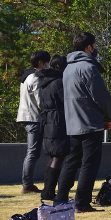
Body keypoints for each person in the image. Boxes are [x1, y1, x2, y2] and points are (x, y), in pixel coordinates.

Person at [56, 32, 111, 212]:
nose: (95, 49)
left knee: (71, 162)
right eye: (95, 45)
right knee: (90, 163)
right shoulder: (88, 67)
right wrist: (107, 117)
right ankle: (81, 203)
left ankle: (60, 199)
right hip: (90, 122)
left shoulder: (68, 68)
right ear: (89, 47)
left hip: (72, 123)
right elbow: (101, 97)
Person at [16, 50, 50, 194]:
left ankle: (27, 183)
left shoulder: (26, 76)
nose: (49, 66)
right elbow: (40, 101)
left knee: (32, 152)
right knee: (32, 152)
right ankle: (27, 184)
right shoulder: (35, 77)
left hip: (26, 116)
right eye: (47, 63)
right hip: (34, 118)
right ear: (41, 63)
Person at [36, 54, 69, 200]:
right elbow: (66, 101)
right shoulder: (59, 82)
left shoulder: (45, 83)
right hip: (58, 121)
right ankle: (49, 191)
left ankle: (47, 190)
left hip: (48, 120)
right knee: (58, 156)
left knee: (53, 157)